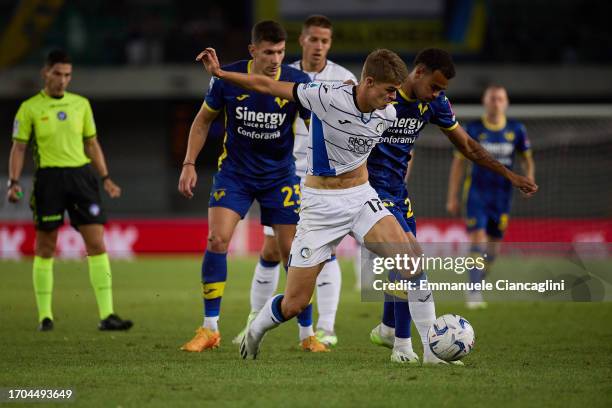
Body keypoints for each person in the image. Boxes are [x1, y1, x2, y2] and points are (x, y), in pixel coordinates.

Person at [196, 46, 537, 361]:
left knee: (411, 259)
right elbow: (268, 86)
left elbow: (414, 148)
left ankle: (430, 351)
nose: (393, 99)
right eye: (389, 91)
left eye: (395, 92)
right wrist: (222, 74)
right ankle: (256, 329)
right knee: (295, 302)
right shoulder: (325, 96)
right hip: (319, 207)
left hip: (362, 198)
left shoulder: (388, 114)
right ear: (369, 82)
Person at [177, 21, 329, 352]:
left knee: (294, 253)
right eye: (268, 52)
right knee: (217, 239)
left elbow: (315, 127)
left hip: (280, 177)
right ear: (253, 50)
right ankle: (209, 329)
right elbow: (203, 120)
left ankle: (307, 335)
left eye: (280, 52)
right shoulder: (227, 79)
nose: (275, 59)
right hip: (235, 174)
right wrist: (189, 163)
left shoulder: (296, 82)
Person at [238, 14, 358, 349]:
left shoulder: (344, 79)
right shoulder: (284, 74)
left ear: (329, 44)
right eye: (314, 39)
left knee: (325, 250)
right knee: (272, 249)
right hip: (287, 174)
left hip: (325, 178)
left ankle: (325, 328)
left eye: (325, 41)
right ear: (302, 40)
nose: (319, 46)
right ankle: (254, 317)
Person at [7, 49, 132, 332]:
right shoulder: (29, 108)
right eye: (58, 74)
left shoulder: (81, 105)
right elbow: (19, 148)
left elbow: (92, 143)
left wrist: (106, 177)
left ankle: (107, 315)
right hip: (49, 180)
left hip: (81, 179)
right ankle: (45, 316)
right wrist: (13, 182)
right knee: (45, 247)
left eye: (67, 75)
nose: (63, 80)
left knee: (97, 244)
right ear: (45, 73)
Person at [446, 85, 535, 309]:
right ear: (485, 102)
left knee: (493, 249)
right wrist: (452, 196)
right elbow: (458, 164)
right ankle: (474, 292)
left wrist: (529, 178)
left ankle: (476, 283)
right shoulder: (473, 129)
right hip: (477, 193)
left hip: (502, 196)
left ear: (506, 103)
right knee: (478, 240)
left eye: (500, 98)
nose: (496, 102)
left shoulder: (516, 130)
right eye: (492, 98)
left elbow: (527, 158)